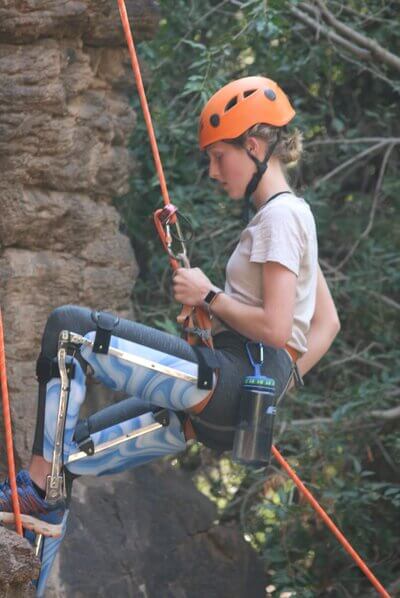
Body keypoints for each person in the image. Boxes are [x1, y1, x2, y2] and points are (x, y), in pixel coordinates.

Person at [0, 76, 340, 594]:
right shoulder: (294, 217)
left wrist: (209, 297)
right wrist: (267, 387)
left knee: (68, 330)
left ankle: (38, 485)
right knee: (71, 461)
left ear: (254, 145)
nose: (212, 171)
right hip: (231, 402)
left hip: (225, 385)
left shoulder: (281, 218)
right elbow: (322, 324)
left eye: (218, 155)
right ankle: (32, 569)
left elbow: (273, 327)